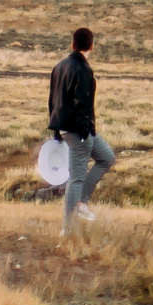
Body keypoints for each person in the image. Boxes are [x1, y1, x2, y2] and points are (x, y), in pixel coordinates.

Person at [47, 27, 113, 233]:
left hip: (72, 128)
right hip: (80, 131)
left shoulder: (59, 67)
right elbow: (82, 103)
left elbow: (53, 100)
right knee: (76, 178)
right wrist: (85, 132)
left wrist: (57, 130)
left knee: (107, 158)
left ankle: (81, 204)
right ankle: (67, 229)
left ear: (72, 45)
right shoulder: (83, 70)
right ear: (91, 46)